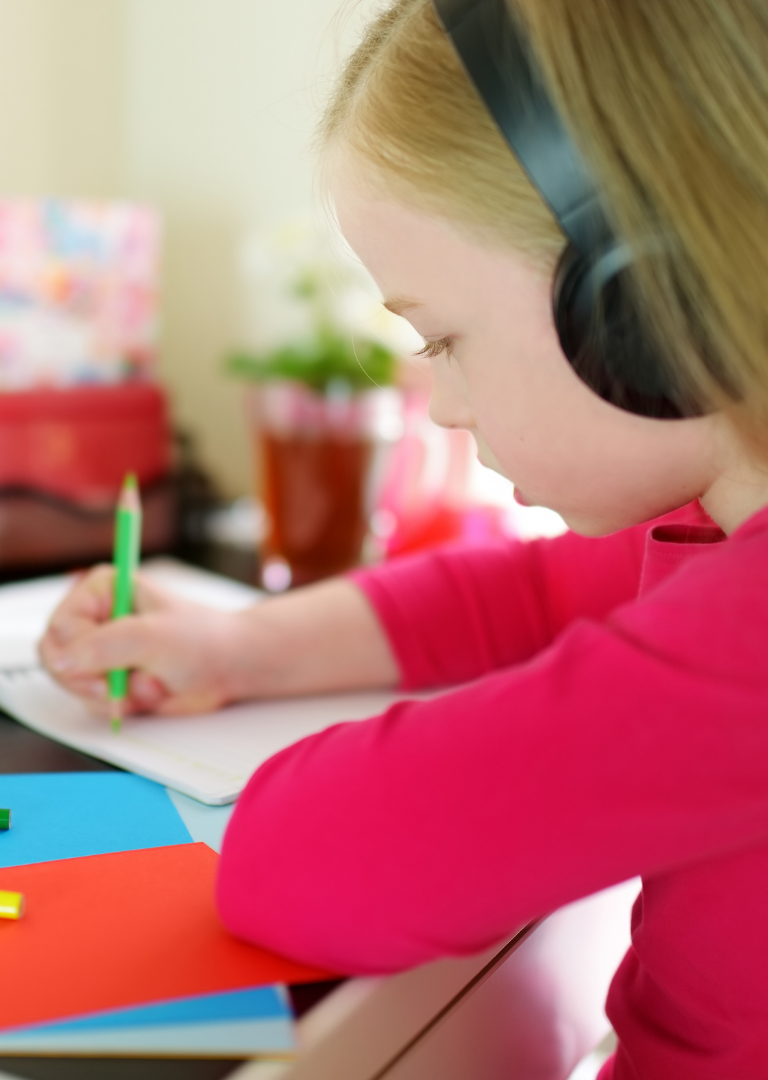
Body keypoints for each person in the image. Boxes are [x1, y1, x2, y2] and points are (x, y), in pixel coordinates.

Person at [40, 1, 768, 1076]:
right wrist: (246, 649)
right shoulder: (719, 541)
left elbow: (303, 860)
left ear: (639, 298)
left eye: (443, 338)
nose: (442, 406)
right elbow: (531, 598)